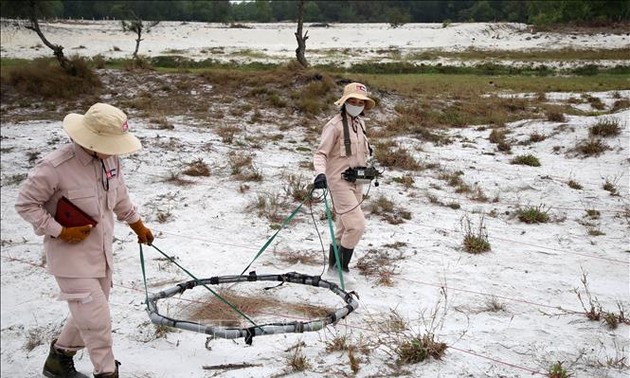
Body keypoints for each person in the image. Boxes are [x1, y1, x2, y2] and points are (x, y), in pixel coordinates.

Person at [15, 103, 154, 378]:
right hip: (70, 260)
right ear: (91, 140)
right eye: (110, 143)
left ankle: (58, 360)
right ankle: (106, 372)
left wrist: (137, 223)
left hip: (100, 255)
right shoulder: (54, 167)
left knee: (88, 314)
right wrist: (59, 230)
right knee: (98, 321)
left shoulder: (110, 160)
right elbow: (25, 204)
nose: (116, 149)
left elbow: (120, 195)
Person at [313, 82, 376, 284]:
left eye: (361, 102)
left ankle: (333, 269)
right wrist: (320, 174)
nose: (357, 105)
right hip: (338, 182)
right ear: (344, 102)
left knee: (342, 226)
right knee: (356, 226)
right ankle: (344, 268)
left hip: (358, 180)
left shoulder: (361, 124)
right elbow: (321, 153)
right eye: (353, 101)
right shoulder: (334, 126)